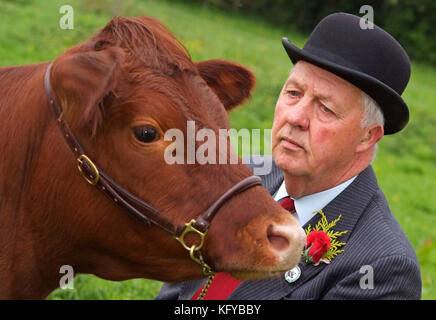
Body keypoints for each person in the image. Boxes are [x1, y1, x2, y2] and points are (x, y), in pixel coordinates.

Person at [156, 12, 421, 300]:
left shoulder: (382, 267)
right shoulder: (238, 177)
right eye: (293, 93)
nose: (295, 117)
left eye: (325, 109)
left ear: (367, 136)